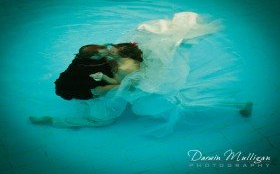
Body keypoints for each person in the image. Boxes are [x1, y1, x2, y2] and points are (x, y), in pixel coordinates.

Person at [30, 12, 253, 137]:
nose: (110, 50)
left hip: (146, 94)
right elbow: (120, 78)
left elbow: (121, 86)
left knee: (186, 104)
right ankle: (238, 105)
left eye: (113, 52)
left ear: (122, 56)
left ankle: (54, 120)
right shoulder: (126, 59)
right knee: (188, 100)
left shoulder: (127, 69)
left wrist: (103, 85)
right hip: (138, 90)